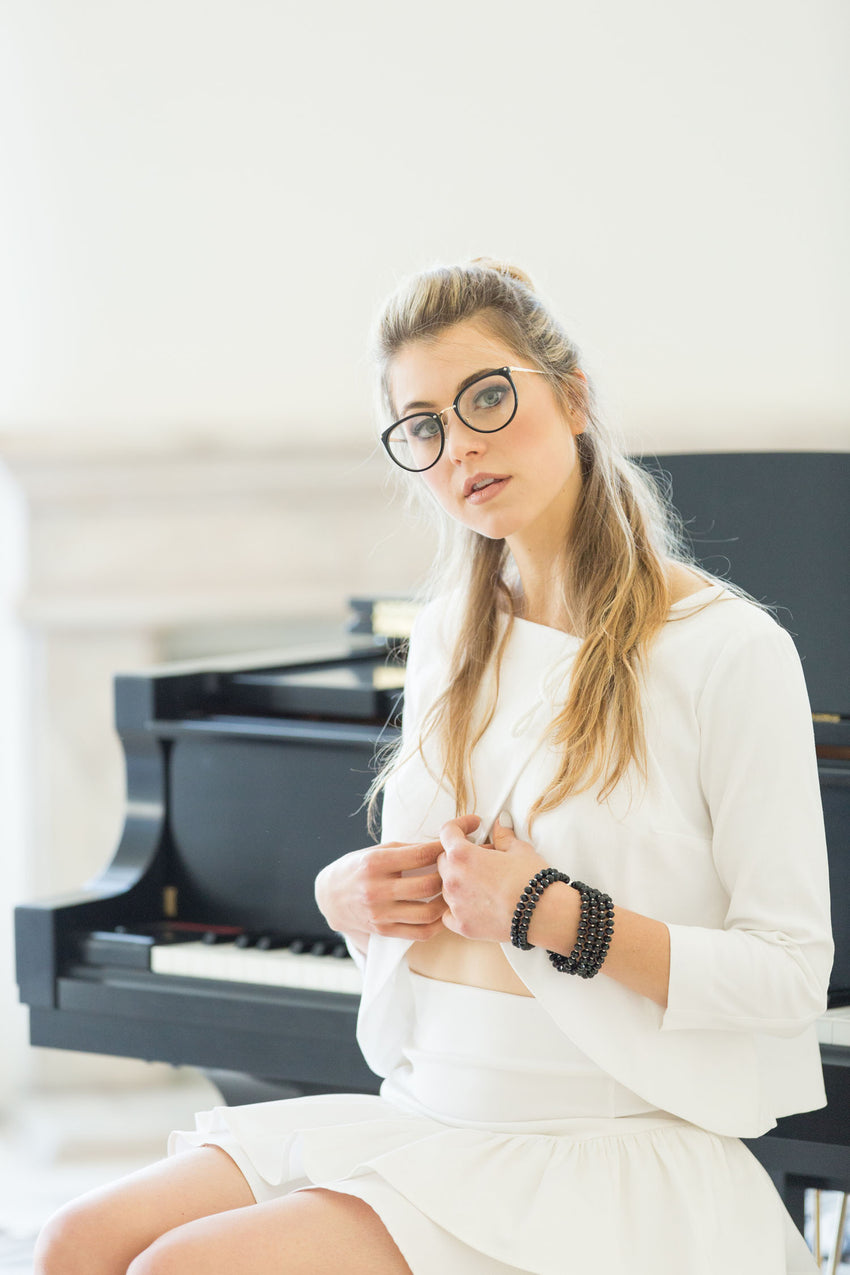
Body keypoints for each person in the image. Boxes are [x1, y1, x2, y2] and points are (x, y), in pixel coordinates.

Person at [35, 259, 834, 1275]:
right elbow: (426, 923)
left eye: (487, 398)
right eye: (424, 426)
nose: (461, 445)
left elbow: (786, 976)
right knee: (73, 1242)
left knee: (179, 1270)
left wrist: (554, 912)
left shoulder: (726, 649)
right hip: (429, 1111)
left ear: (572, 393)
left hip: (591, 1146)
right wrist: (352, 900)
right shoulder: (453, 633)